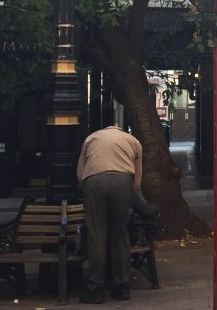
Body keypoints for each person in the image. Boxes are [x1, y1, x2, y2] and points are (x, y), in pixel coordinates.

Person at [76, 125, 143, 304]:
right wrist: (133, 197)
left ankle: (95, 289)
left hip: (95, 181)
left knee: (96, 235)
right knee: (120, 234)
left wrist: (87, 190)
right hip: (123, 181)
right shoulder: (133, 141)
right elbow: (137, 179)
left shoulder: (92, 138)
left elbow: (80, 173)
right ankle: (121, 286)